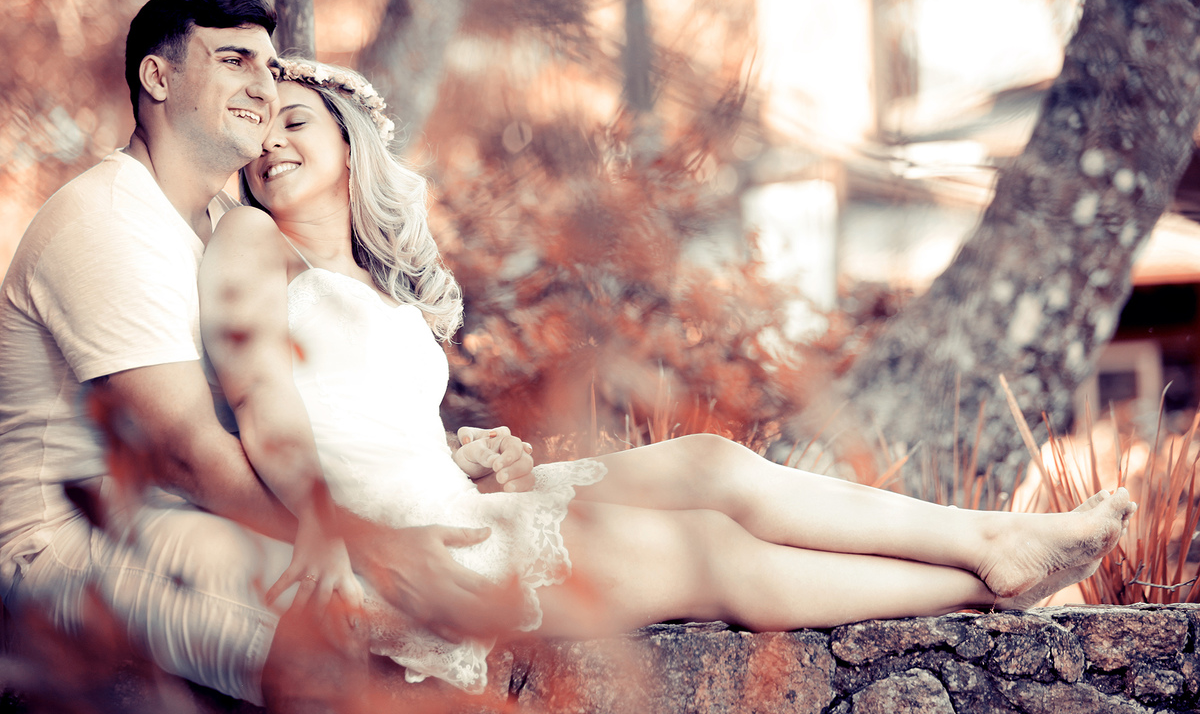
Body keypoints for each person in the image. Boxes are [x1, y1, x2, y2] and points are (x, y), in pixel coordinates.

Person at [198, 56, 1138, 695]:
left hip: (442, 498)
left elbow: (356, 418)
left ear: (351, 142)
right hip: (403, 547)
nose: (271, 141)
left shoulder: (377, 285)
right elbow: (263, 405)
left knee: (709, 462)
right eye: (259, 128)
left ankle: (987, 534)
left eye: (295, 120)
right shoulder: (249, 237)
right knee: (709, 552)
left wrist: (466, 457)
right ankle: (982, 583)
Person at [0, 0, 527, 711]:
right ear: (158, 78)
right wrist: (364, 538)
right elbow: (183, 453)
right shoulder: (108, 219)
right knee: (331, 620)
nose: (263, 86)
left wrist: (435, 463)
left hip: (181, 508)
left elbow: (297, 403)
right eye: (234, 60)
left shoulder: (224, 221)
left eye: (269, 67)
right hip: (69, 542)